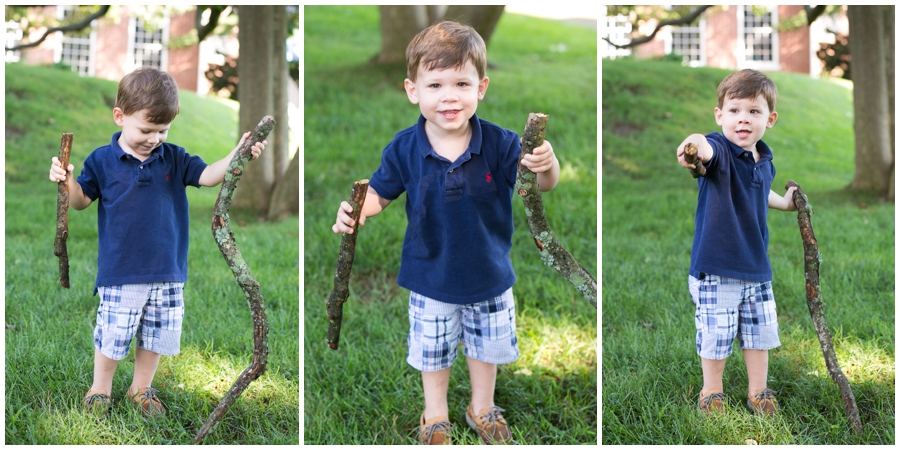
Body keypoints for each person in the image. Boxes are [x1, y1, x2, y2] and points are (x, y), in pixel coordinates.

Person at [332, 21, 560, 444]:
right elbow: (379, 194)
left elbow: (540, 187)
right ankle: (435, 414)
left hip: (489, 273)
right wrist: (355, 211)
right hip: (430, 274)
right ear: (412, 90)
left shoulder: (502, 143)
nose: (449, 96)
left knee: (485, 348)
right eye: (435, 85)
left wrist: (546, 165)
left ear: (482, 87)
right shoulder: (404, 147)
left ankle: (483, 407)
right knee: (433, 350)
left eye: (461, 82)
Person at [48, 67, 266, 417]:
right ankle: (100, 388)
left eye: (163, 130)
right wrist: (67, 180)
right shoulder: (102, 161)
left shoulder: (174, 157)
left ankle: (141, 387)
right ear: (120, 117)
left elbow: (209, 176)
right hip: (122, 269)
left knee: (156, 334)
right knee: (114, 333)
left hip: (168, 269)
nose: (154, 139)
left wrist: (237, 154)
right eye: (146, 130)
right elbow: (80, 201)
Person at [675, 69, 796, 416]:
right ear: (720, 115)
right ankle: (711, 391)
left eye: (754, 112)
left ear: (770, 119)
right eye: (734, 110)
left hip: (756, 267)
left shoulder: (764, 160)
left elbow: (759, 193)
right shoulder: (719, 152)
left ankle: (758, 391)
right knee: (717, 335)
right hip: (717, 267)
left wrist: (785, 203)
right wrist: (692, 147)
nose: (743, 119)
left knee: (760, 333)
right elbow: (703, 147)